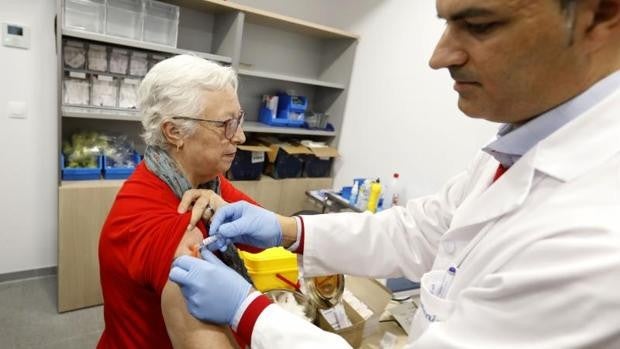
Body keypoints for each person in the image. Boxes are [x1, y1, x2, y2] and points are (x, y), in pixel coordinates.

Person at [170, 0, 620, 348]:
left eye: (480, 25)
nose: (439, 56)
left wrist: (247, 312)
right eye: (445, 22)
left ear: (600, 14)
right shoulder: (520, 142)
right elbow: (421, 231)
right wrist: (289, 230)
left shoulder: (599, 235)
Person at [97, 54, 257, 348]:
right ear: (175, 132)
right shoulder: (166, 225)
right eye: (226, 124)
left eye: (239, 119)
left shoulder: (206, 184)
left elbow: (264, 233)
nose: (241, 136)